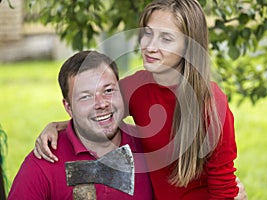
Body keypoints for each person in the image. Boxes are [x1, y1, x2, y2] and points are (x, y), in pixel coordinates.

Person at [34, 0, 248, 199]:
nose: (150, 46)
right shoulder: (135, 87)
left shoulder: (210, 104)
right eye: (147, 33)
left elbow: (223, 187)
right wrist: (55, 126)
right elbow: (98, 113)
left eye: (166, 38)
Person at [8, 51, 153, 200]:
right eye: (86, 97)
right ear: (68, 107)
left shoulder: (149, 147)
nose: (101, 103)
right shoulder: (43, 163)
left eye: (108, 90)